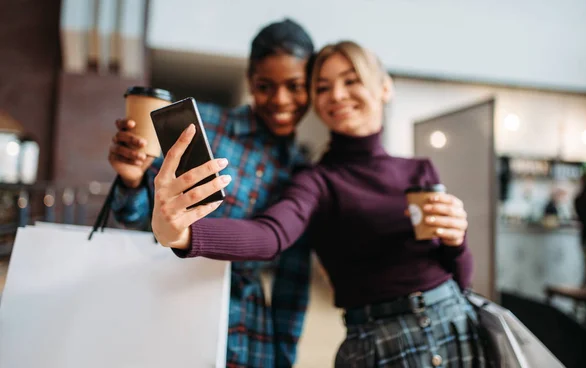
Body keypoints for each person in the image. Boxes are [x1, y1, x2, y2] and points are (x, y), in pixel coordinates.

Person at [152, 40, 486, 367]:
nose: (337, 95)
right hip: (380, 346)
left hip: (456, 325)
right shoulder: (316, 180)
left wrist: (458, 241)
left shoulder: (420, 169)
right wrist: (183, 235)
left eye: (351, 81)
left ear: (385, 88)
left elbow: (460, 279)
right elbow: (270, 236)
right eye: (323, 87)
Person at [108, 19, 315, 368]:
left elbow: (292, 284)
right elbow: (137, 216)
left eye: (295, 86)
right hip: (170, 310)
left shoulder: (303, 173)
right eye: (265, 86)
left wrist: (283, 357)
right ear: (250, 81)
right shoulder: (199, 124)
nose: (281, 100)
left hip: (249, 336)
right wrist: (131, 180)